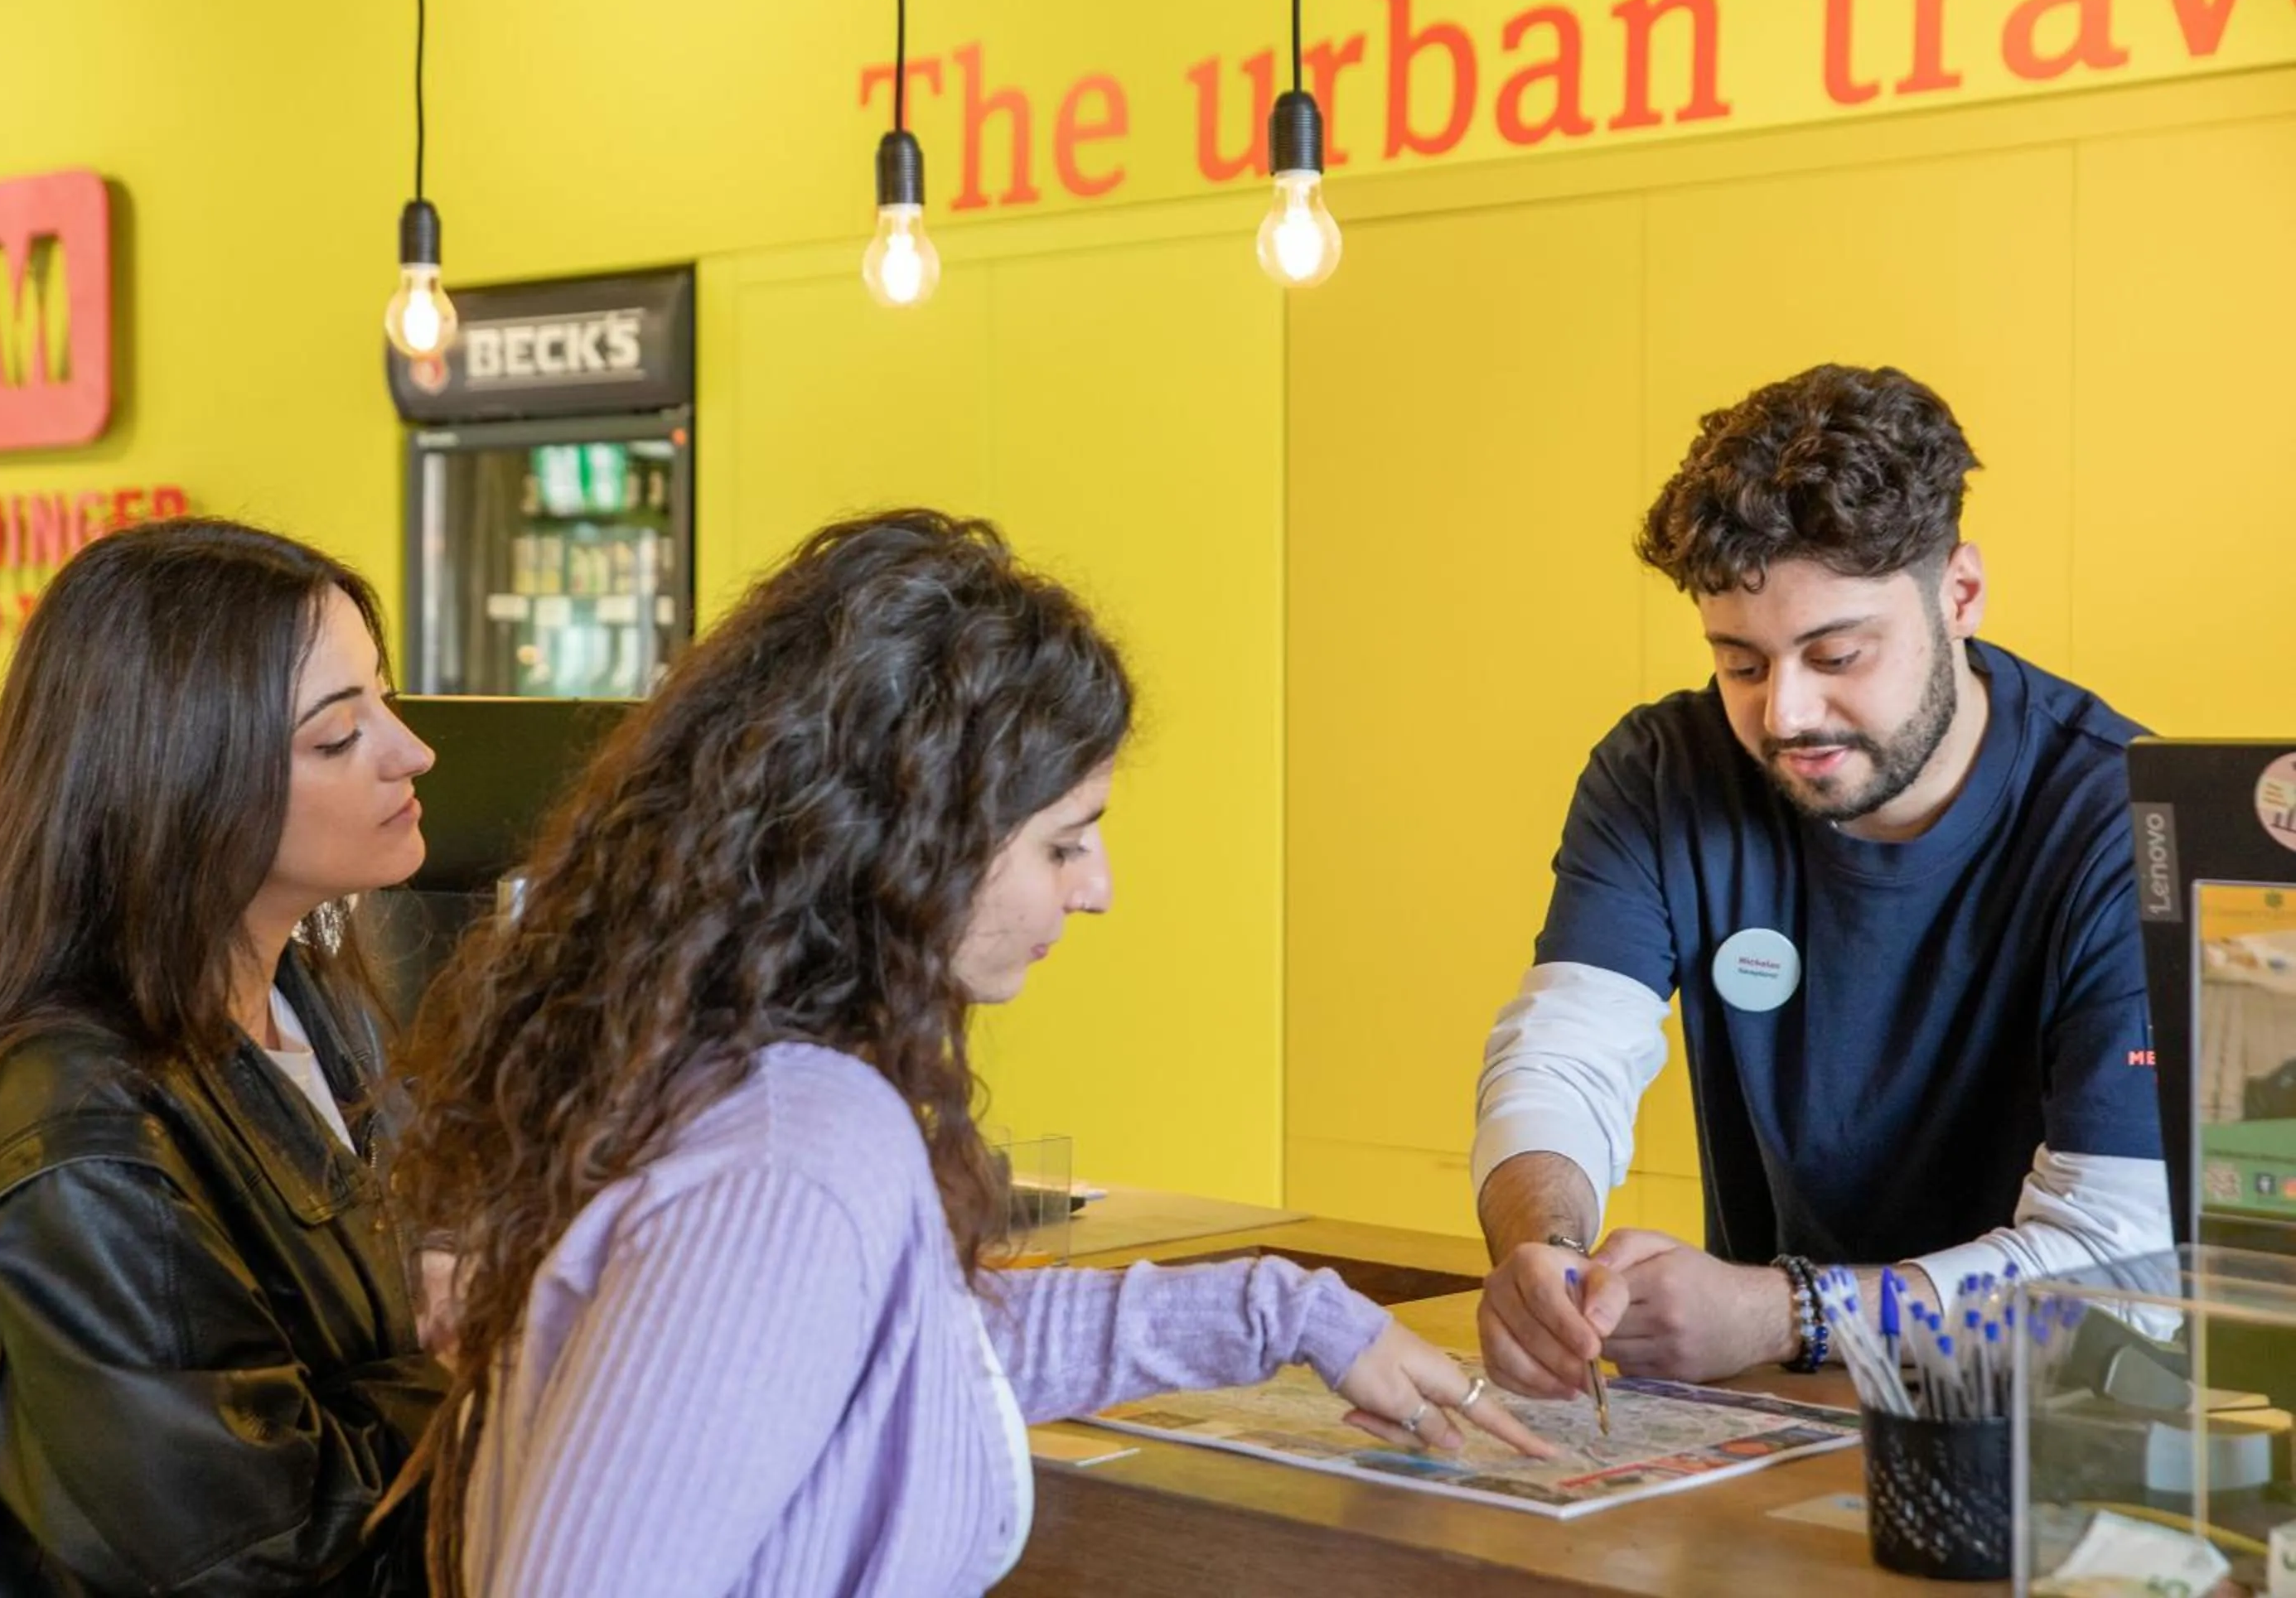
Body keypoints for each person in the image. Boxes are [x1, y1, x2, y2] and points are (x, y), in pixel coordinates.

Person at [391, 510, 1552, 1598]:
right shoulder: (794, 1161)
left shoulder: (774, 1093)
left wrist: (1290, 1314)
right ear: (911, 843)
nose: (1097, 890)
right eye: (1065, 843)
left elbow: (922, 1358)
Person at [1472, 364, 2168, 1402]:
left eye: (1836, 653)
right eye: (1741, 665)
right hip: (1787, 1413)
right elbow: (1562, 1054)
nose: (1787, 713)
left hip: (2064, 1429)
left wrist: (1782, 1312)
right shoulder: (1661, 772)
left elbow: (2113, 1268)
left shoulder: (2130, 824)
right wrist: (1545, 1249)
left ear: (1960, 593)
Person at [0, 519, 452, 1596]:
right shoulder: (85, 1144)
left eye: (385, 701)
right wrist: (463, 1363)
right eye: (336, 736)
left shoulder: (312, 1001)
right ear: (182, 784)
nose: (412, 752)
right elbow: (254, 1559)